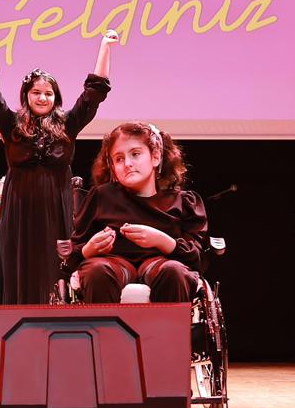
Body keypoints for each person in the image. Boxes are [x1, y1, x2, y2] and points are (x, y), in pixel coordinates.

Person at [0, 26, 118, 304]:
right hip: (18, 210)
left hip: (55, 207)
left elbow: (94, 93)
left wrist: (104, 48)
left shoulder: (68, 124)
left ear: (56, 97)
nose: (42, 98)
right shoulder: (11, 124)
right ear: (26, 95)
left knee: (55, 265)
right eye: (36, 92)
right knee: (19, 266)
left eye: (48, 93)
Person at [70, 122, 206, 303]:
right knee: (98, 271)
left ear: (155, 157)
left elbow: (197, 258)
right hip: (111, 263)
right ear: (112, 166)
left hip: (162, 263)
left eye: (135, 154)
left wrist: (162, 241)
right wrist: (88, 249)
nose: (127, 164)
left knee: (173, 271)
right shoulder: (101, 197)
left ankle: (168, 323)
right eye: (119, 159)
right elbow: (71, 257)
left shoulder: (182, 202)